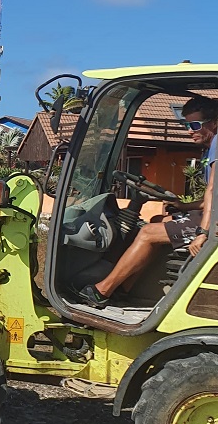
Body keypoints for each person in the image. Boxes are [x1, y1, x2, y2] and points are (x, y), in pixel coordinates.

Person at [75, 98, 218, 309]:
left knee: (148, 233)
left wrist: (203, 233)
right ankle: (124, 290)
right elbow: (211, 198)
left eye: (195, 125)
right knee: (160, 220)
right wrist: (183, 206)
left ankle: (101, 291)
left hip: (214, 226)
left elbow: (213, 191)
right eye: (186, 125)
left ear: (214, 123)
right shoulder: (210, 147)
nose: (189, 130)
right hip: (212, 218)